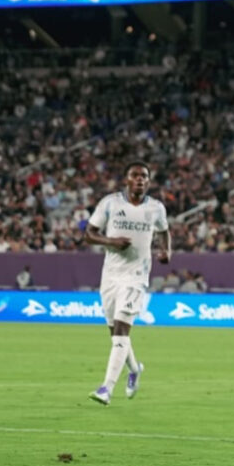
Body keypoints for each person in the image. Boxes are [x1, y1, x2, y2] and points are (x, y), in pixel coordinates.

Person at [85, 161, 171, 405]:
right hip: (110, 276)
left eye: (144, 176)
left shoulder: (156, 208)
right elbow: (88, 234)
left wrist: (166, 251)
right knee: (116, 335)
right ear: (127, 179)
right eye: (135, 175)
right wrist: (111, 242)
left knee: (122, 331)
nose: (140, 180)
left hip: (136, 277)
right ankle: (135, 369)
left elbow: (164, 230)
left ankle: (106, 389)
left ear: (148, 181)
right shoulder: (110, 203)